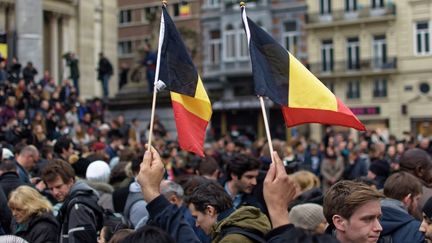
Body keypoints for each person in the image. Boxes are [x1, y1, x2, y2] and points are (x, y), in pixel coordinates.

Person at [41, 159, 103, 243]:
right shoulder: (77, 202)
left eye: (59, 187)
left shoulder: (78, 208)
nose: (55, 192)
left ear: (71, 181)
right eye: (51, 189)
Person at [379, 172, 424, 242]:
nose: (417, 204)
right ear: (408, 199)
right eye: (417, 199)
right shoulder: (418, 230)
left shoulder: (365, 219)